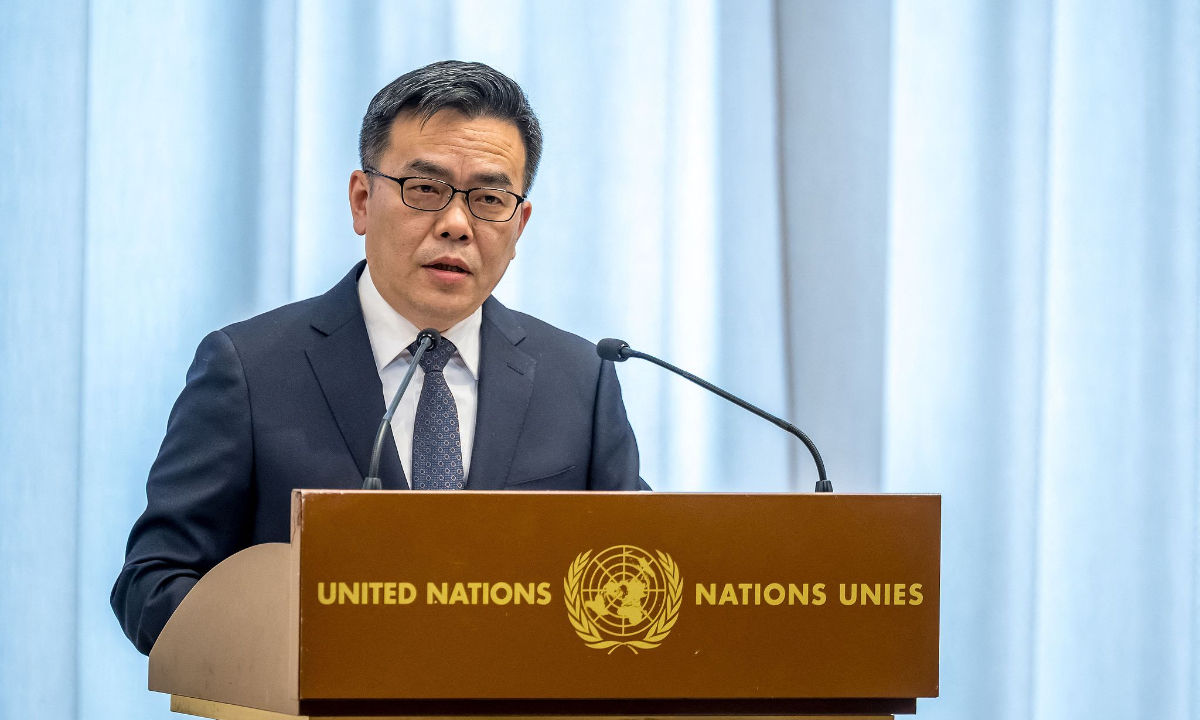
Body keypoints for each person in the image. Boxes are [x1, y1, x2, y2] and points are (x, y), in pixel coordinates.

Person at [111, 60, 645, 655]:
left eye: (489, 199)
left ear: (519, 225)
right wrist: (292, 650)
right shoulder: (250, 370)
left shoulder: (579, 380)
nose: (455, 225)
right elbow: (152, 583)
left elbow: (642, 575)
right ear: (362, 200)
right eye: (425, 190)